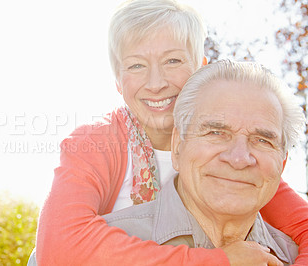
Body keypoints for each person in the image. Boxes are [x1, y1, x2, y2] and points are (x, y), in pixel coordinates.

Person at [32, 0, 308, 265]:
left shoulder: (233, 157)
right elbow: (58, 245)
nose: (156, 83)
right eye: (136, 65)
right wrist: (218, 261)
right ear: (117, 79)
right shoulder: (96, 143)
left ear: (201, 68)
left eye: (173, 61)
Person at [103, 59, 305, 266]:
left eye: (262, 140)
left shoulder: (296, 256)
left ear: (283, 163)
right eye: (216, 132)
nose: (238, 159)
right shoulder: (100, 250)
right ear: (178, 146)